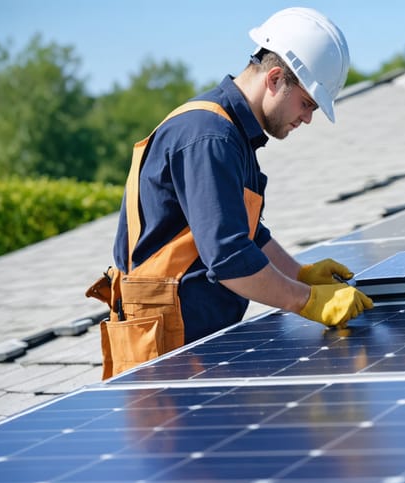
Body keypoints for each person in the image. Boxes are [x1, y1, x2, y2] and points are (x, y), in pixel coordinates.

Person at [86, 7, 372, 379]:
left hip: (193, 343)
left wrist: (301, 273)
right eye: (307, 104)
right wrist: (306, 300)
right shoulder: (209, 137)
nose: (307, 118)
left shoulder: (234, 134)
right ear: (274, 79)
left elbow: (248, 235)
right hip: (165, 350)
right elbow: (230, 259)